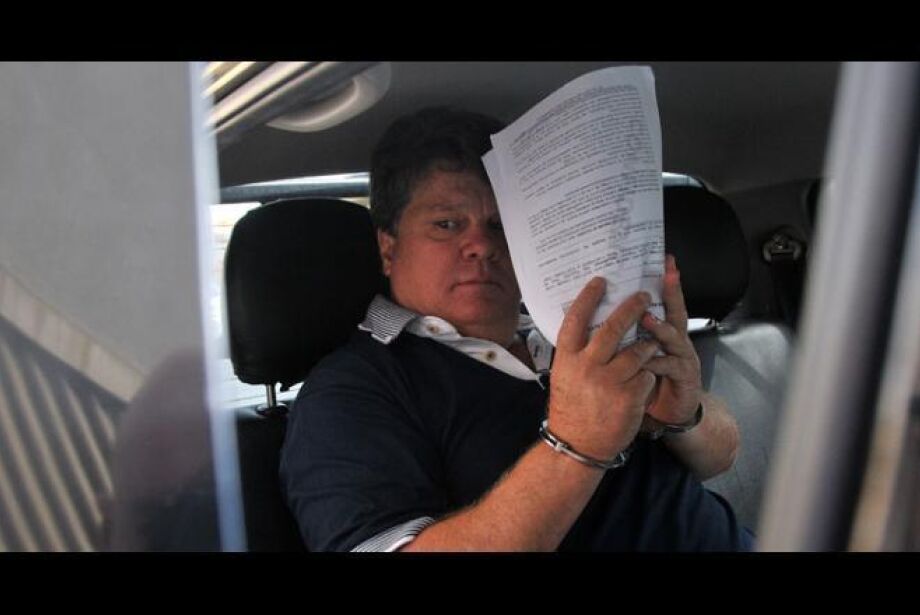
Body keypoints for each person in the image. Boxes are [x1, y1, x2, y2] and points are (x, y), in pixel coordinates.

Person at [280, 107, 752, 552]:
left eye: (500, 225)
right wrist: (576, 444)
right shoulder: (350, 389)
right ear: (389, 248)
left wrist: (683, 418)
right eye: (447, 224)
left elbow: (721, 457)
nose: (481, 245)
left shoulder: (581, 327)